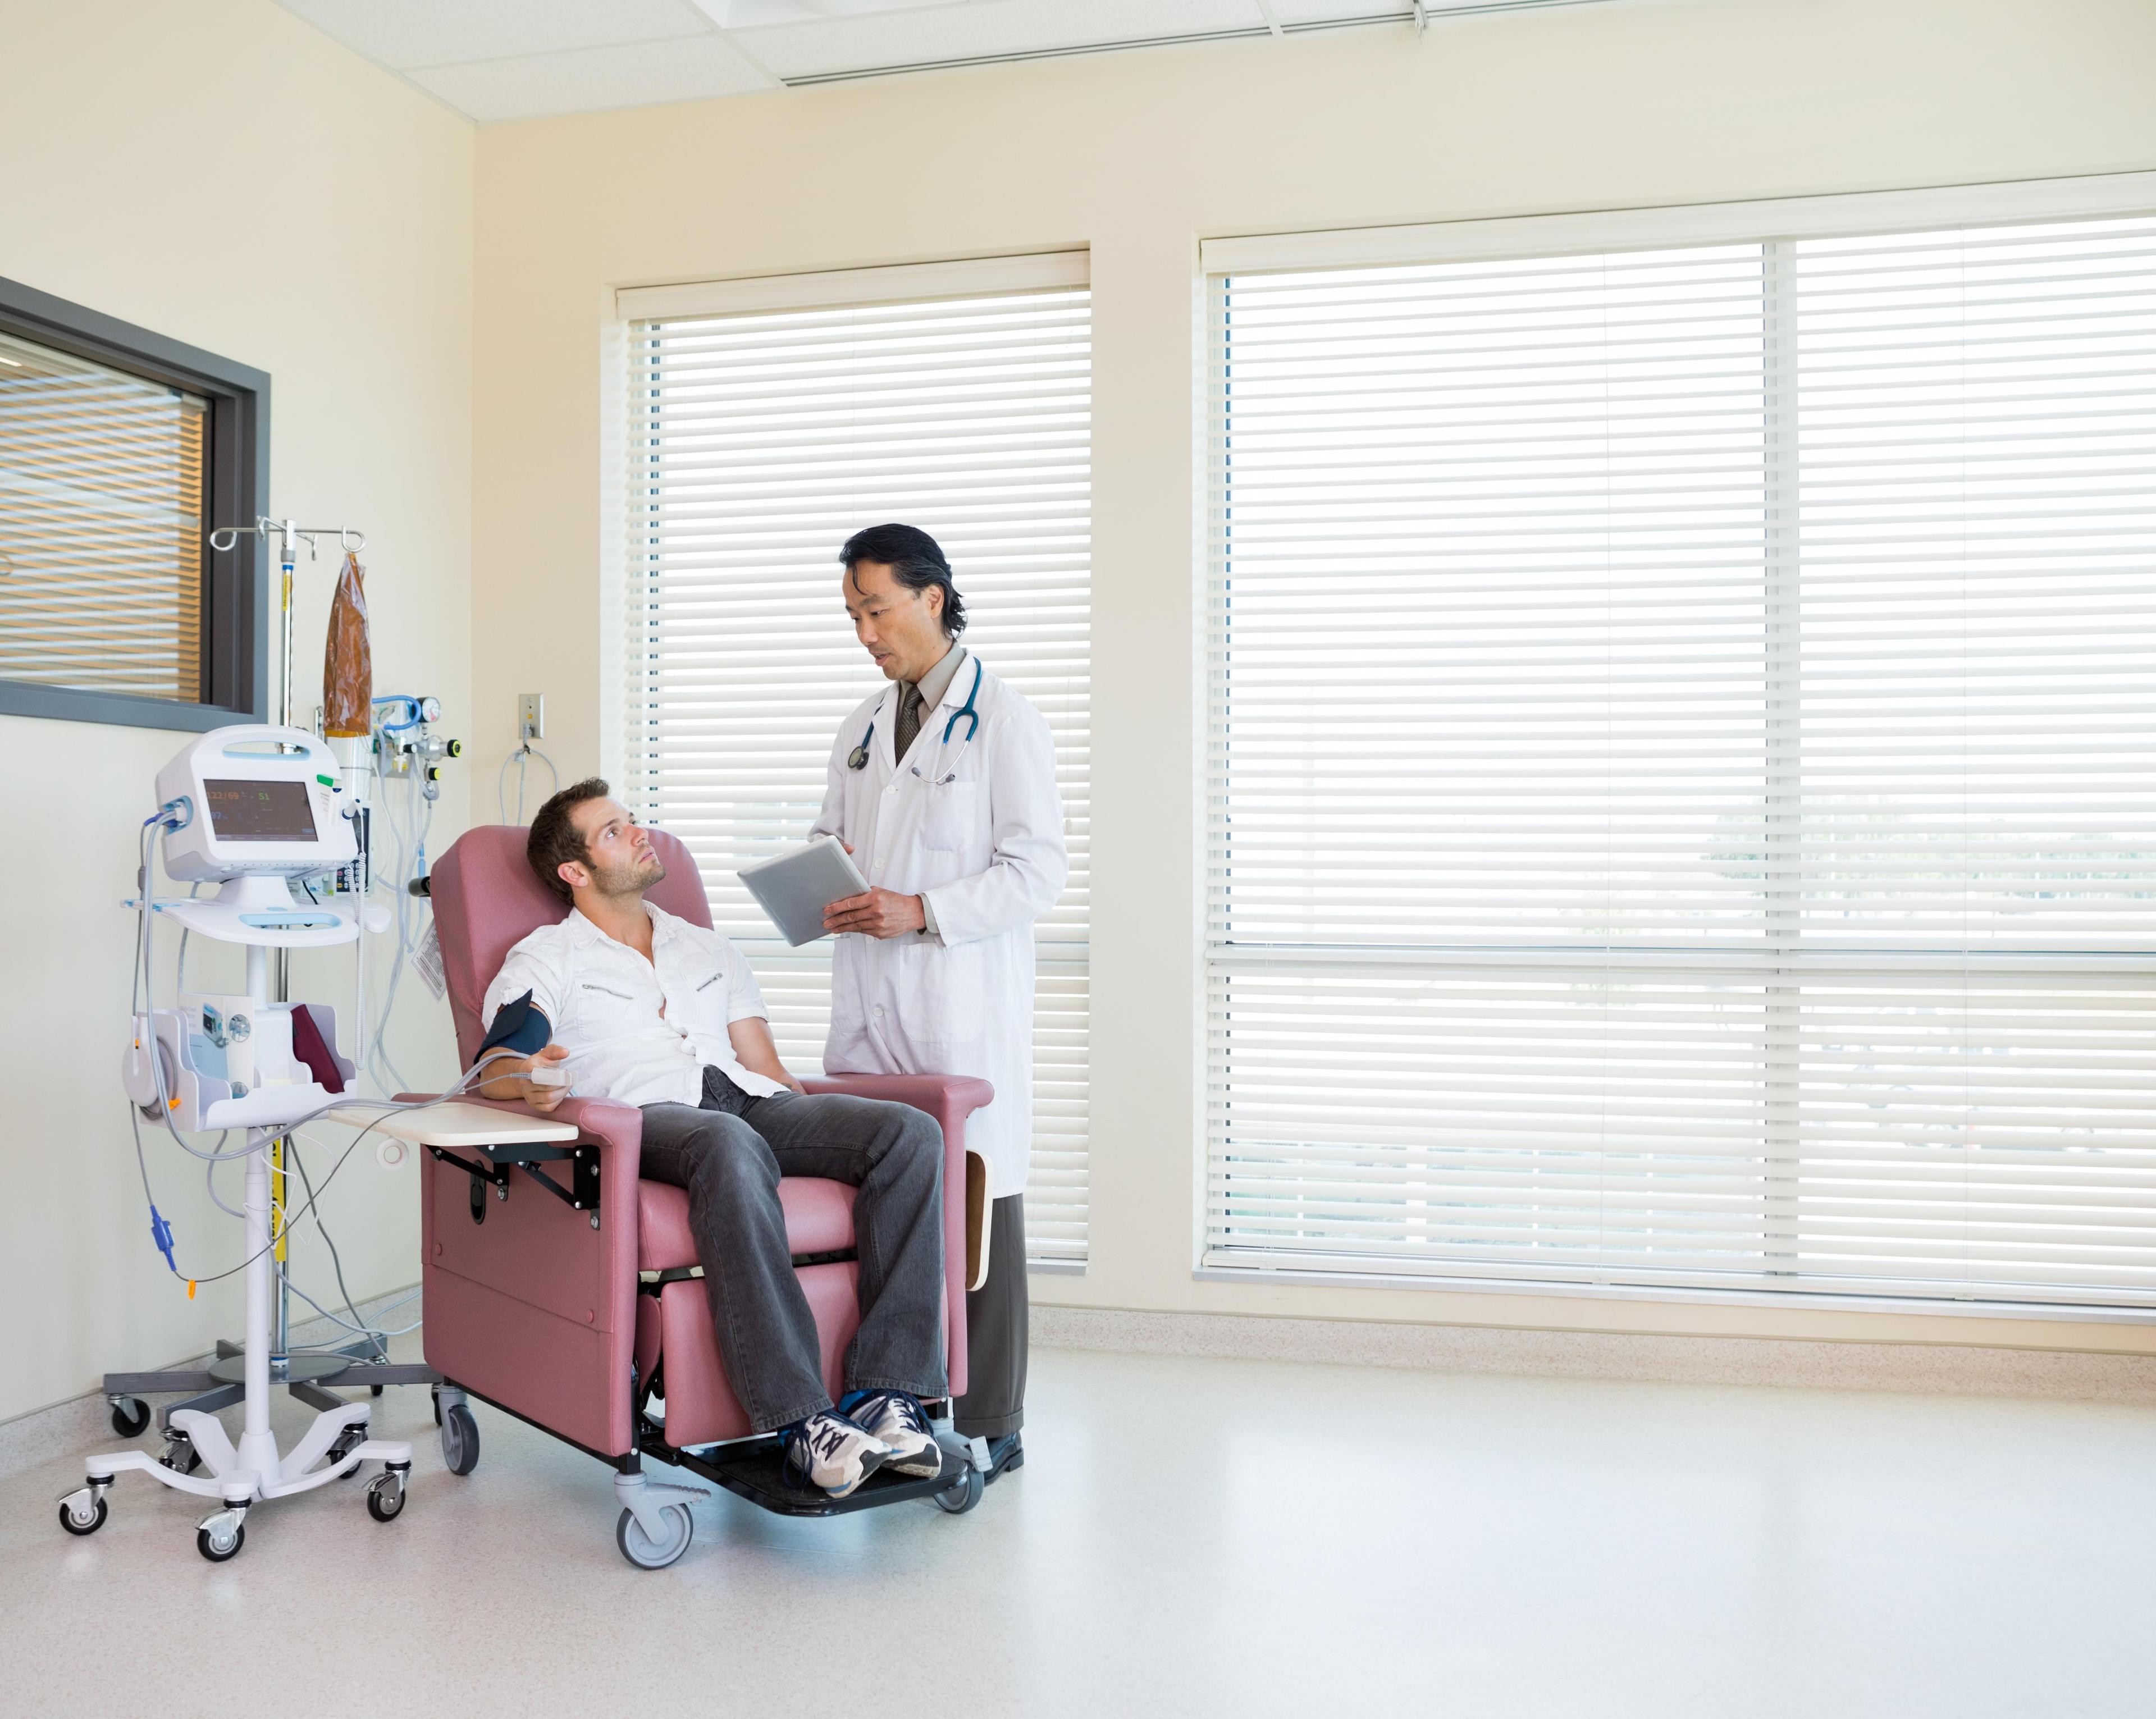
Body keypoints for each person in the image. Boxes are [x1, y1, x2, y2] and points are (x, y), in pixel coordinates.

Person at [474, 779, 949, 1499]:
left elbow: (763, 1066)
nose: (639, 834)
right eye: (612, 831)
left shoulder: (708, 947)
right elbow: (502, 1059)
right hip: (648, 1117)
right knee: (727, 1142)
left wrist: (824, 1123)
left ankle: (888, 1393)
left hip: (745, 1100)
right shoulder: (548, 956)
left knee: (907, 1133)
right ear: (574, 871)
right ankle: (801, 1421)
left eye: (632, 821)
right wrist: (529, 1079)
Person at [814, 523, 1068, 1483]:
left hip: (958, 1003)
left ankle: (993, 1421)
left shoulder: (1005, 720)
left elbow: (1037, 869)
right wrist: (821, 885)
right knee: (882, 1204)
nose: (865, 632)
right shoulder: (862, 725)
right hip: (871, 1004)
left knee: (978, 1209)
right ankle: (897, 1403)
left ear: (931, 597)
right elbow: (831, 832)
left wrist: (922, 910)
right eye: (852, 615)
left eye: (875, 609)